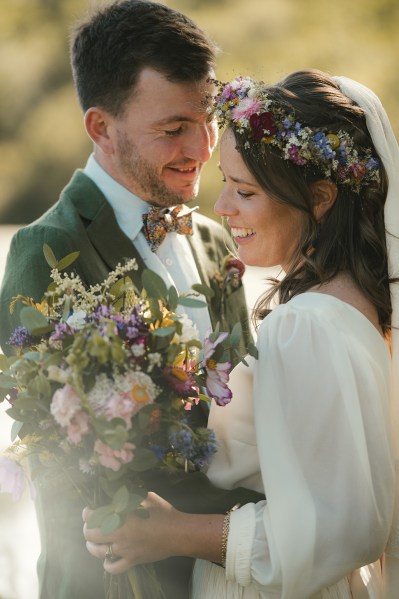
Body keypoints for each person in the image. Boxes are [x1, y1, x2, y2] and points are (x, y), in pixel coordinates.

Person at [83, 68, 399, 599]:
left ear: (320, 198)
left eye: (245, 191)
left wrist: (170, 533)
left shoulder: (307, 326)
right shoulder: (358, 302)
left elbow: (336, 531)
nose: (222, 207)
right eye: (224, 182)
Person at [0, 2, 263, 598]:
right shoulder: (45, 250)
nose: (202, 147)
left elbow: (248, 412)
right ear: (101, 128)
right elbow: (64, 463)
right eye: (172, 129)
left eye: (208, 120)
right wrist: (266, 525)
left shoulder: (218, 239)